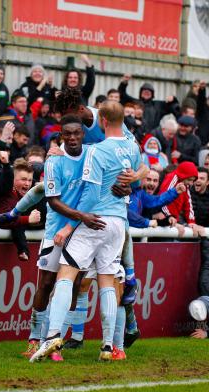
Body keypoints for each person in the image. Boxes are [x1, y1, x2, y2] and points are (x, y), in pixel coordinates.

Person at [30, 101, 142, 362]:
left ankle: (51, 339)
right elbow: (140, 172)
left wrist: (71, 225)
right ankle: (108, 347)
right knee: (107, 281)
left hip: (95, 221)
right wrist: (130, 182)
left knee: (66, 277)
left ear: (102, 120)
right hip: (119, 224)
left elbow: (91, 194)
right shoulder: (131, 146)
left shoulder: (96, 151)